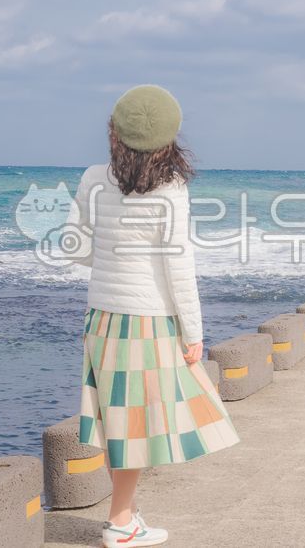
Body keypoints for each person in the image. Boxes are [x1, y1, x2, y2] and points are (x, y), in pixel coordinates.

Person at [67, 85, 240, 548]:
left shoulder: (91, 177)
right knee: (135, 426)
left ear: (114, 132)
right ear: (168, 137)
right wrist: (194, 332)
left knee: (116, 422)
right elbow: (178, 266)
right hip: (147, 318)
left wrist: (111, 255)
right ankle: (120, 522)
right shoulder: (171, 187)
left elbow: (76, 248)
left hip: (102, 315)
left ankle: (125, 515)